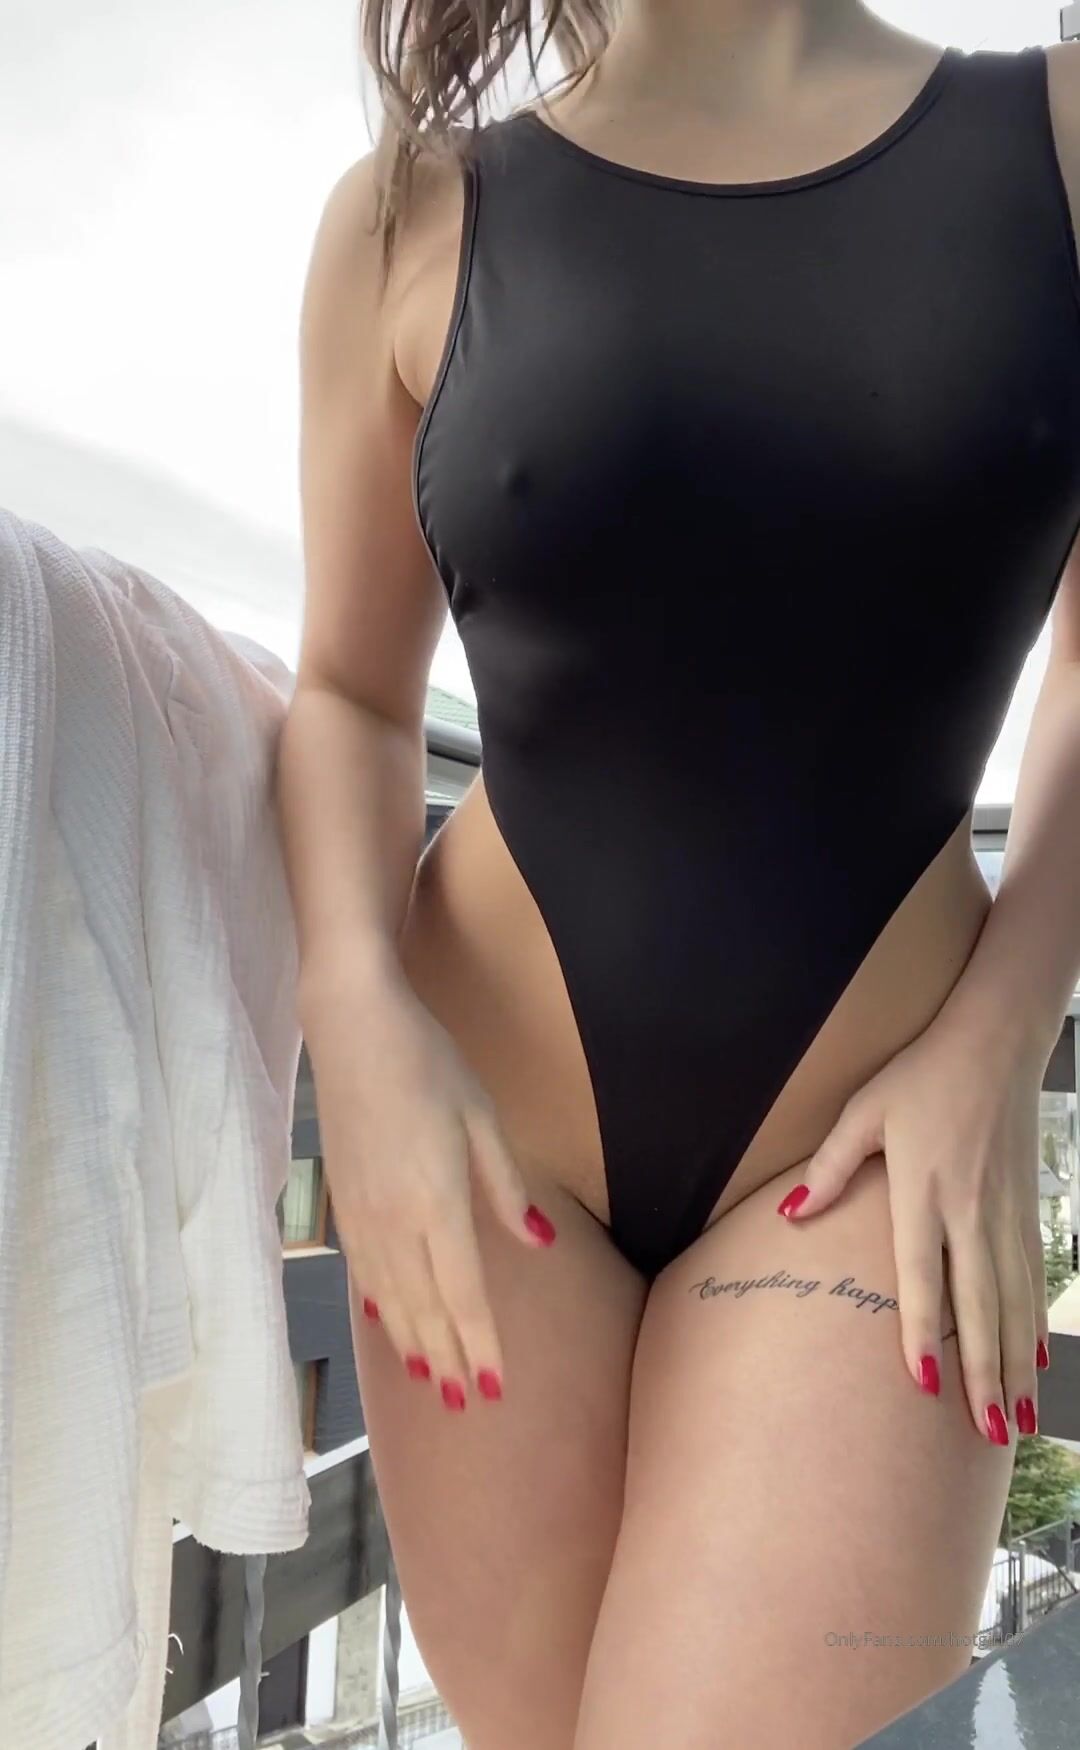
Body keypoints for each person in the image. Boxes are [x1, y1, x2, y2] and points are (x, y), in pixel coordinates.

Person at [274, 4, 1080, 1745]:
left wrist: (1007, 1030)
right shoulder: (411, 212)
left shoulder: (1063, 144)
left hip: (867, 1146)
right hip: (480, 1145)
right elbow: (348, 694)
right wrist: (355, 1009)